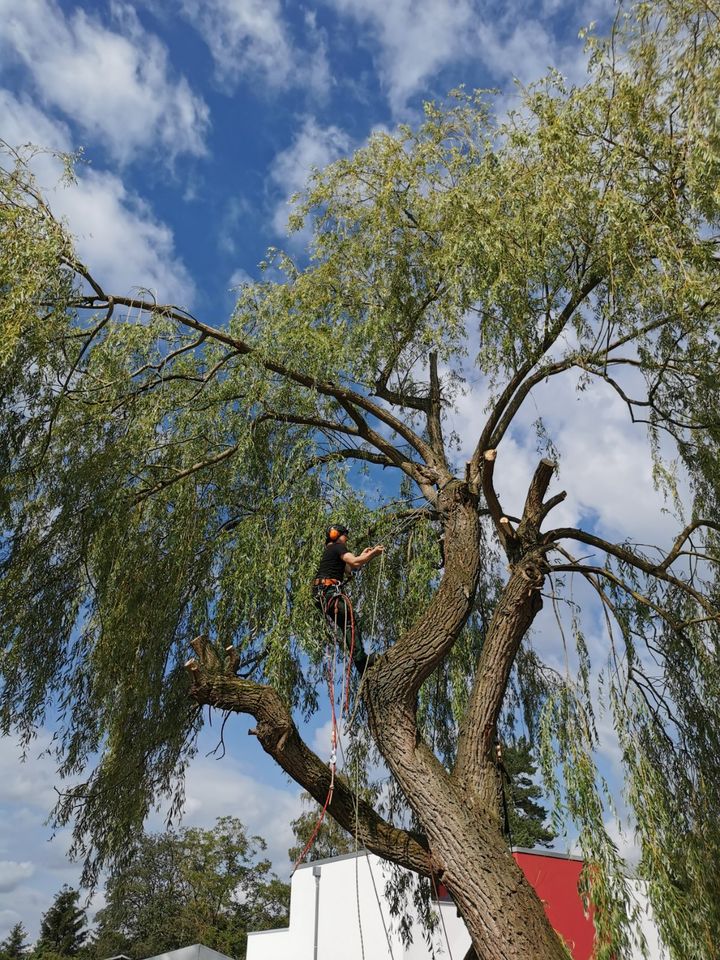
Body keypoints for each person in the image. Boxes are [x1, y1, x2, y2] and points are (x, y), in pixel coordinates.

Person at [312, 524, 384, 672]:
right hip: (328, 591)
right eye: (345, 535)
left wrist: (364, 554)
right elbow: (355, 561)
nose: (347, 539)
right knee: (350, 622)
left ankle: (360, 662)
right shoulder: (338, 547)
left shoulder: (330, 551)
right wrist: (374, 553)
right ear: (337, 535)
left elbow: (350, 570)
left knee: (347, 623)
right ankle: (361, 661)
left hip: (322, 594)